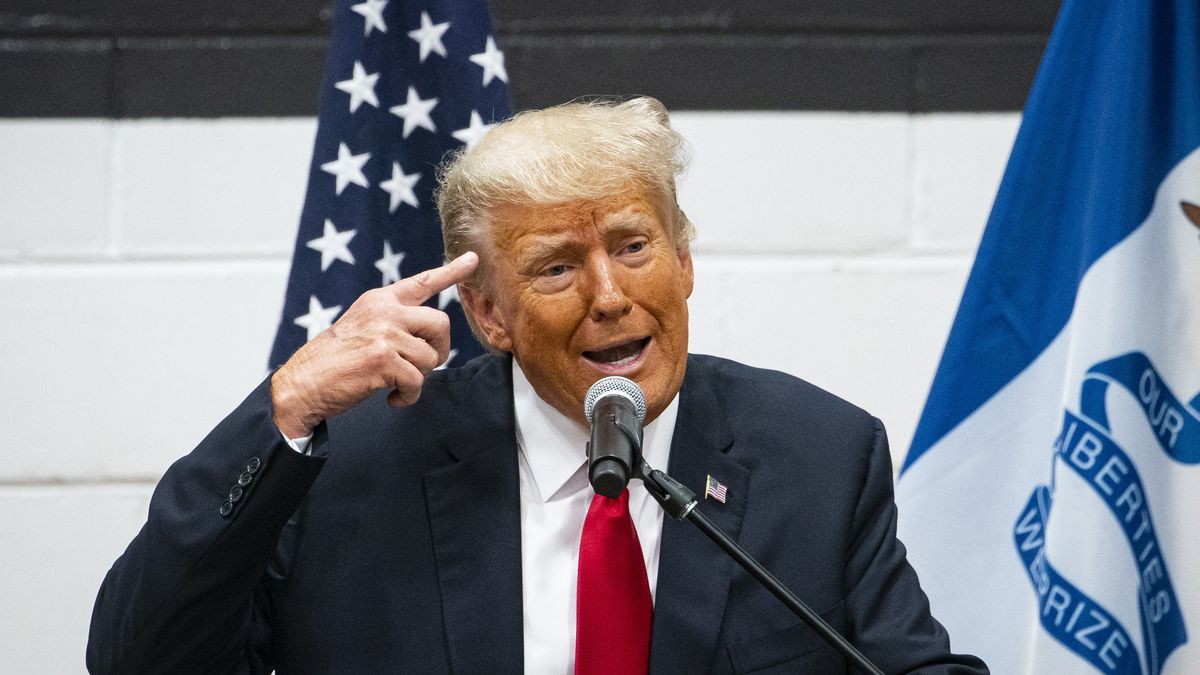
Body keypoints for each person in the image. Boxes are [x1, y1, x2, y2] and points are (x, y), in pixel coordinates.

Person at [87, 97, 988, 674]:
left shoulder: (817, 452)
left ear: (682, 262)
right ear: (488, 315)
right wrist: (282, 412)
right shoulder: (350, 471)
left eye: (634, 247)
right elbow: (137, 658)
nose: (609, 296)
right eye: (556, 268)